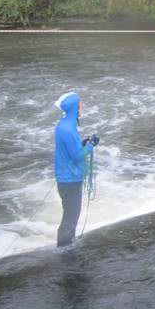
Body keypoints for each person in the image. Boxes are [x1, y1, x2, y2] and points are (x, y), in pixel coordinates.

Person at [54, 92, 98, 247]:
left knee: (70, 215)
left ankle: (66, 244)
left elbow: (72, 148)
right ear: (74, 107)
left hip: (66, 178)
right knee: (70, 218)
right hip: (70, 180)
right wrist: (91, 146)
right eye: (80, 104)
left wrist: (83, 143)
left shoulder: (65, 124)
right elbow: (78, 156)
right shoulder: (68, 129)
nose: (82, 106)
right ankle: (63, 251)